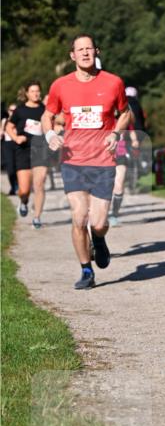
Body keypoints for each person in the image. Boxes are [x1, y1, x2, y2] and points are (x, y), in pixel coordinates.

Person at [42, 35, 131, 289]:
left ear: (96, 52)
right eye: (79, 49)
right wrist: (50, 136)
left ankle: (99, 240)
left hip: (103, 161)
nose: (84, 53)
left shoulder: (113, 82)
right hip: (73, 161)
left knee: (99, 223)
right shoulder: (61, 85)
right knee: (79, 218)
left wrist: (116, 133)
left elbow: (125, 113)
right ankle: (86, 270)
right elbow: (47, 115)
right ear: (72, 55)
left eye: (88, 48)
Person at [5, 83, 49, 227]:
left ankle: (37, 218)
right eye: (32, 91)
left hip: (40, 150)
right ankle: (24, 202)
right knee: (24, 190)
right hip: (23, 150)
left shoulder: (45, 110)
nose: (36, 94)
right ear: (27, 94)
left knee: (39, 184)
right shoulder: (20, 110)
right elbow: (9, 126)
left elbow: (53, 124)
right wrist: (16, 138)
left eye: (38, 91)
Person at [2, 102, 19, 196]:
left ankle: (19, 187)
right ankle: (13, 187)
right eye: (11, 110)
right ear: (8, 111)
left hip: (18, 144)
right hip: (7, 145)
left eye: (14, 110)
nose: (12, 112)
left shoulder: (19, 120)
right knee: (10, 168)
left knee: (18, 167)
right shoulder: (4, 121)